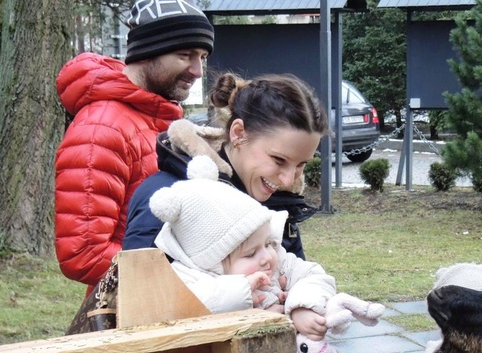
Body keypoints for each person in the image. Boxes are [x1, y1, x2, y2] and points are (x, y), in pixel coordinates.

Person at [55, 0, 214, 295]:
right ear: (147, 52)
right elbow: (82, 255)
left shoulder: (158, 118)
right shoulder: (102, 128)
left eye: (202, 57)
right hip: (134, 309)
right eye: (185, 55)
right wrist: (184, 276)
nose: (197, 71)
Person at [123, 72, 328, 260]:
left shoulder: (281, 202)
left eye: (301, 165)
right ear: (238, 133)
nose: (288, 179)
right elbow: (139, 292)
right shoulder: (169, 197)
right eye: (278, 160)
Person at [148, 156, 335, 338]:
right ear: (214, 263)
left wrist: (301, 306)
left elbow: (315, 276)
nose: (267, 256)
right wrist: (242, 293)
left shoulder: (278, 262)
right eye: (250, 253)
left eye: (267, 243)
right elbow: (182, 309)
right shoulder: (190, 279)